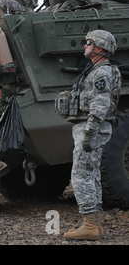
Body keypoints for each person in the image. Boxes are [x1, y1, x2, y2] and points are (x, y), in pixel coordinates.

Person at [61, 30, 121, 240]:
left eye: (89, 42)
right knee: (91, 173)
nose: (85, 45)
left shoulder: (101, 73)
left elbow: (101, 103)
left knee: (81, 175)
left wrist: (90, 132)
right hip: (91, 127)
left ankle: (89, 225)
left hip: (91, 128)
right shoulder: (97, 70)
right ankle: (94, 224)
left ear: (100, 48)